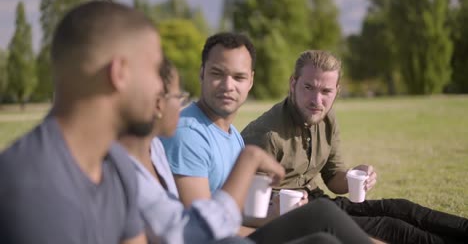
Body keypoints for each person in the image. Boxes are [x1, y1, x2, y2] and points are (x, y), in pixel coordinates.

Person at [119, 57, 372, 244]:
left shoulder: (155, 151)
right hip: (220, 237)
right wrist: (247, 163)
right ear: (156, 105)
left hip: (232, 232)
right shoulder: (182, 137)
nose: (229, 86)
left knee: (323, 227)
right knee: (323, 227)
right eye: (179, 97)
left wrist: (270, 215)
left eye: (239, 77)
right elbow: (195, 232)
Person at [241, 50, 468, 244]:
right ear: (293, 83)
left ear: (337, 91)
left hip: (320, 202)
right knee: (392, 227)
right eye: (308, 87)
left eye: (326, 92)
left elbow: (333, 179)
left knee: (402, 208)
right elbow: (249, 204)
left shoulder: (326, 119)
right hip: (295, 218)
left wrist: (353, 176)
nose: (316, 100)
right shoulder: (267, 135)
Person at [0, 0, 162, 244]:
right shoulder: (29, 187)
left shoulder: (117, 165)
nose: (160, 86)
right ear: (119, 73)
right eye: (155, 69)